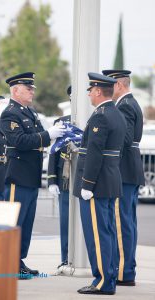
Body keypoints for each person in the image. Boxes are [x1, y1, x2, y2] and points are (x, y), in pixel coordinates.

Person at [0, 72, 65, 279]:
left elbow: (37, 138)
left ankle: (18, 260)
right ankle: (9, 262)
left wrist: (53, 136)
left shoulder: (30, 112)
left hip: (31, 174)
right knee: (15, 221)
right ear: (16, 90)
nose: (32, 91)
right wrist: (48, 135)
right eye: (28, 88)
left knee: (26, 222)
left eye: (32, 88)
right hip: (17, 175)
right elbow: (19, 141)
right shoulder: (10, 113)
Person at [73, 73, 126, 295]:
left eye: (90, 91)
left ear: (97, 92)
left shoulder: (100, 116)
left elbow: (95, 154)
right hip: (109, 180)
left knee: (98, 234)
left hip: (96, 185)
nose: (88, 95)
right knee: (107, 232)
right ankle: (109, 277)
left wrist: (87, 184)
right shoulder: (116, 113)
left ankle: (103, 281)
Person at [102, 69, 145, 286]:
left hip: (124, 170)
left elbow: (125, 139)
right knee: (127, 222)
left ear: (118, 85)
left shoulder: (125, 106)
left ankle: (124, 272)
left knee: (121, 223)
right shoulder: (130, 103)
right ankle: (127, 269)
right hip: (130, 169)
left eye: (110, 85)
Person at [48, 85, 71, 271]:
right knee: (65, 222)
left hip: (88, 181)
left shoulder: (95, 119)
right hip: (65, 180)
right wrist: (51, 180)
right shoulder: (62, 122)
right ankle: (66, 258)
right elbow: (53, 153)